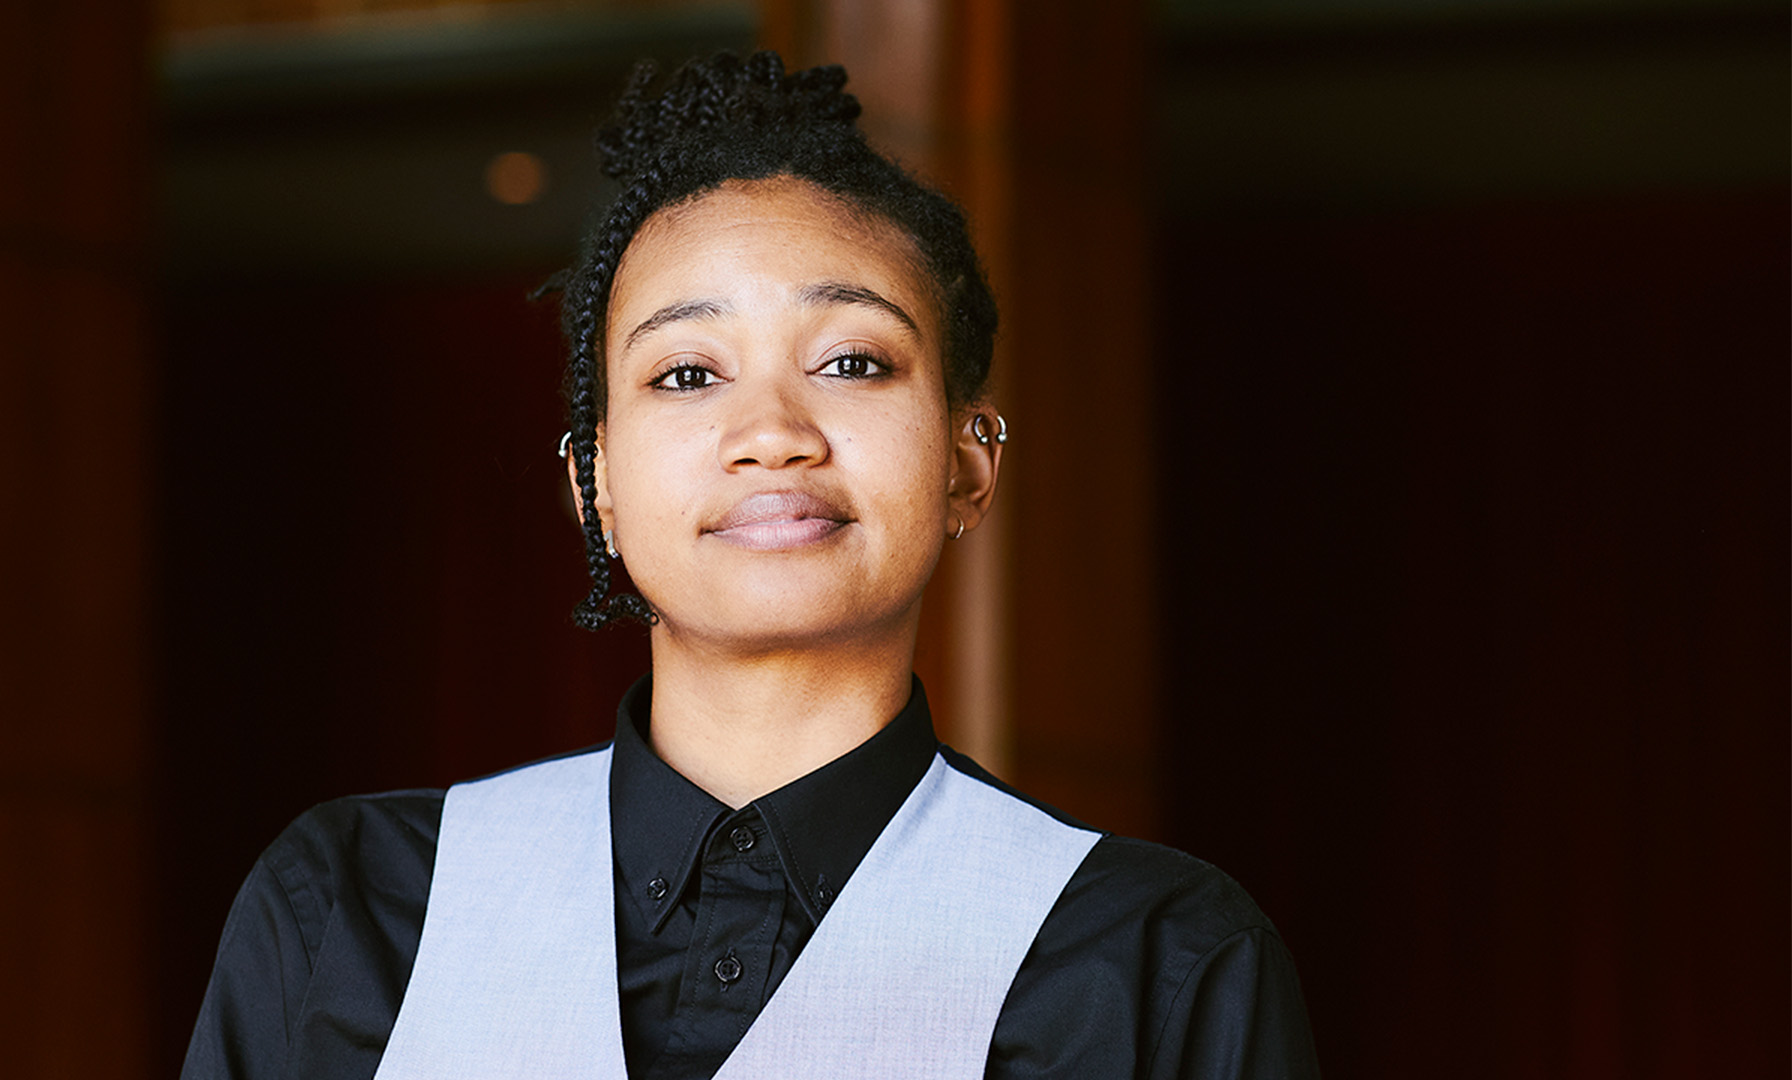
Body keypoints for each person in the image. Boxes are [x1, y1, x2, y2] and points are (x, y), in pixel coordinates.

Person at [181, 52, 1319, 1080]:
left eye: (853, 360)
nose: (772, 430)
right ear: (597, 487)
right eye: (687, 373)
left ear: (971, 466)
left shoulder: (1157, 965)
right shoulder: (353, 907)